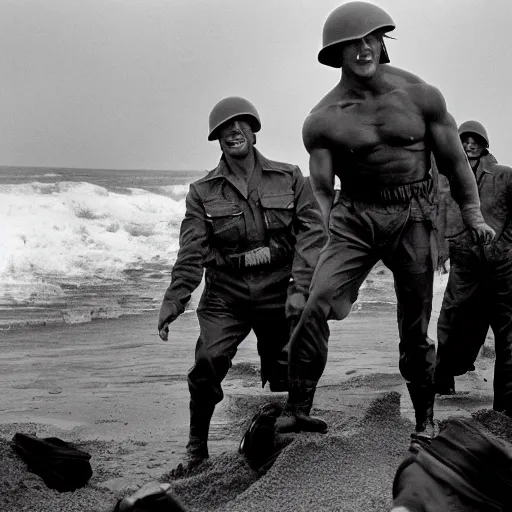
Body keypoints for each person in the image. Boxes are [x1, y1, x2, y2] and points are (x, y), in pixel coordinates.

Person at [276, 2, 495, 439]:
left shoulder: (421, 95)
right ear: (335, 53)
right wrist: (315, 248)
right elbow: (321, 191)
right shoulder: (322, 120)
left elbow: (454, 161)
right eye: (352, 44)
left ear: (383, 42)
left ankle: (425, 419)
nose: (363, 50)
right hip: (355, 216)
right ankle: (298, 408)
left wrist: (472, 213)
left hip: (412, 215)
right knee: (314, 303)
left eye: (371, 39)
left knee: (415, 326)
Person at [157, 96, 325, 467]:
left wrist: (300, 288)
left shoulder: (290, 176)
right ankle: (196, 444)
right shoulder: (202, 192)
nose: (233, 132)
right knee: (209, 361)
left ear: (253, 131)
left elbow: (312, 235)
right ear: (217, 138)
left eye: (241, 124)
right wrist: (175, 299)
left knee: (294, 360)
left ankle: (293, 421)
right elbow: (192, 251)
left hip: (279, 290)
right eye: (224, 129)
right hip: (226, 295)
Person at [435, 121, 512, 416]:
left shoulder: (504, 175)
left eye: (474, 140)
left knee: (507, 331)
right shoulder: (447, 177)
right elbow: (440, 215)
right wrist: (442, 249)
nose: (469, 145)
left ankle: (505, 408)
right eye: (463, 140)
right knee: (452, 319)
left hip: (501, 265)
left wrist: (507, 242)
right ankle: (442, 379)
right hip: (465, 262)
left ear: (484, 144)